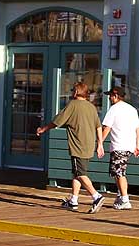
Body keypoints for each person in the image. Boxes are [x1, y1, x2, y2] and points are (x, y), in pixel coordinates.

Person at [36, 82, 104, 213]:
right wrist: (100, 143)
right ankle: (73, 200)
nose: (71, 92)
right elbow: (98, 126)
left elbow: (57, 121)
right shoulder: (91, 107)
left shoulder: (73, 105)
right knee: (76, 173)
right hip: (89, 144)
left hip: (78, 145)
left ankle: (96, 196)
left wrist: (43, 129)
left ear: (76, 92)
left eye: (73, 90)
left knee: (80, 173)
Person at [98, 86, 139, 211]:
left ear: (116, 96)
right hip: (129, 146)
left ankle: (125, 199)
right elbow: (137, 128)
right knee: (117, 172)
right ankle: (120, 195)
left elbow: (107, 127)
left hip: (119, 145)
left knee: (119, 173)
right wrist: (137, 145)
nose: (110, 98)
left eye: (111, 96)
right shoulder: (132, 109)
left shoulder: (114, 109)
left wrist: (100, 142)